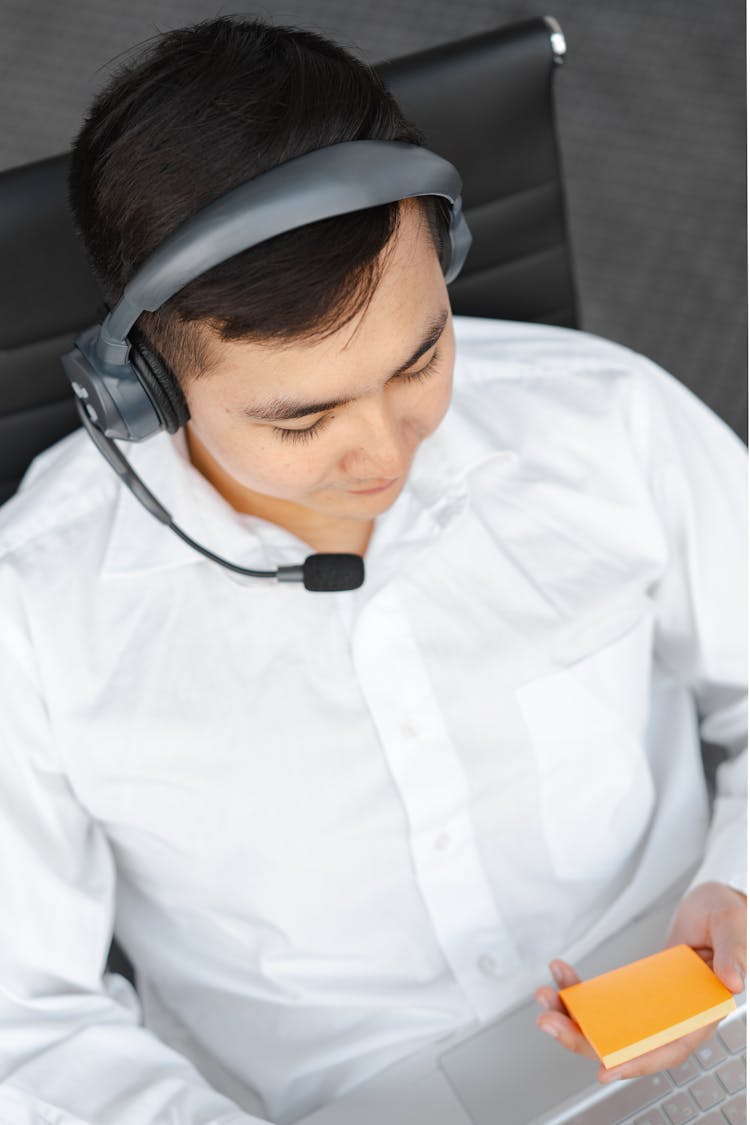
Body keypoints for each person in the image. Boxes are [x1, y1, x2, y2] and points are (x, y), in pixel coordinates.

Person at [0, 15, 745, 1125]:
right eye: (302, 421)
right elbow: (26, 1018)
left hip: (706, 1033)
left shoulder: (607, 421)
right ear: (144, 392)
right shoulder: (35, 608)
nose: (390, 452)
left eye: (422, 357)